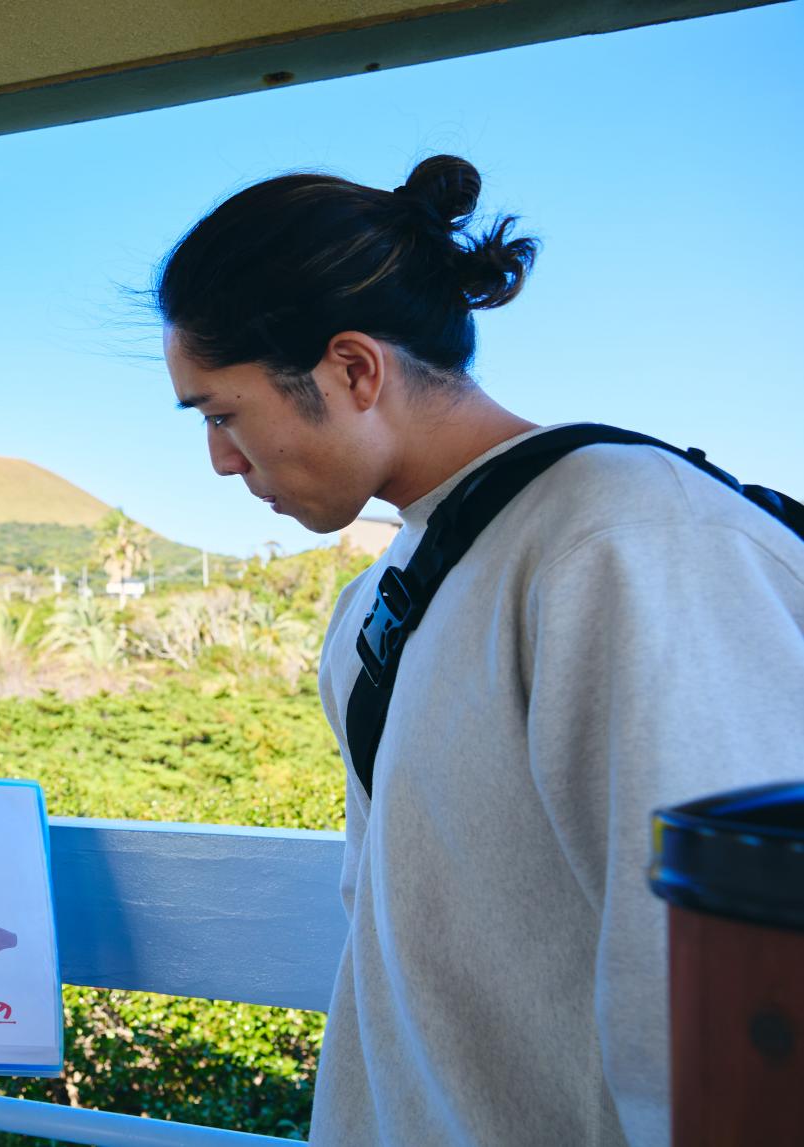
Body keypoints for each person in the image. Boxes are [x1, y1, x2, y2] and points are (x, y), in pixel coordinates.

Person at [155, 155, 804, 1145]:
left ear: (352, 369)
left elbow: (721, 981)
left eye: (222, 414)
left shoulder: (627, 539)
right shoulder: (376, 598)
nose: (218, 460)